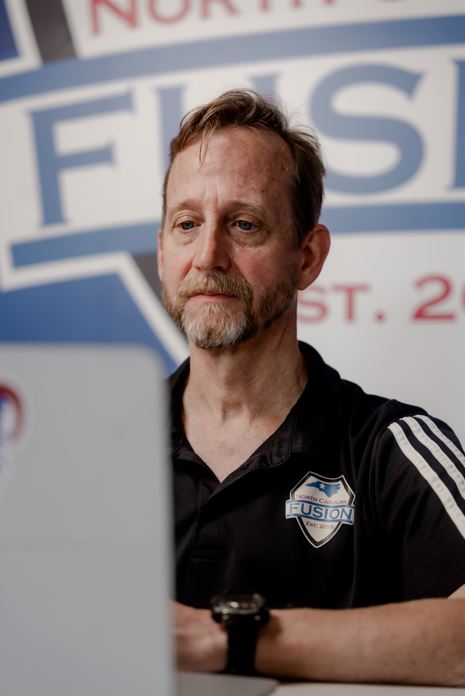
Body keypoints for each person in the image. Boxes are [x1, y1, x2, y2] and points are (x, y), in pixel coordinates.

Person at [157, 89, 465, 685]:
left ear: (307, 256)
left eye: (244, 224)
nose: (208, 254)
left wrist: (223, 637)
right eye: (187, 223)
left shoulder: (392, 446)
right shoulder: (88, 449)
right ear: (164, 246)